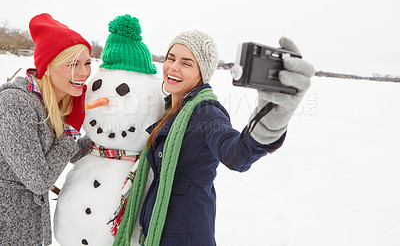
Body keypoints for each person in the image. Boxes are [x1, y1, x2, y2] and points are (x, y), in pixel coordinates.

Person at [114, 30, 315, 245]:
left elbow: (238, 154)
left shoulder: (206, 112)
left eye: (187, 63)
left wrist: (270, 119)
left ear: (203, 72)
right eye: (171, 58)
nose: (173, 67)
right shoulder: (166, 111)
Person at [0, 13, 93, 245]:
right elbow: (39, 180)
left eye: (87, 63)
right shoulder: (15, 104)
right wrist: (72, 128)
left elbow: (69, 153)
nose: (83, 73)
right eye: (73, 64)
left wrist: (112, 137)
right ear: (48, 66)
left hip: (30, 231)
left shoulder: (53, 103)